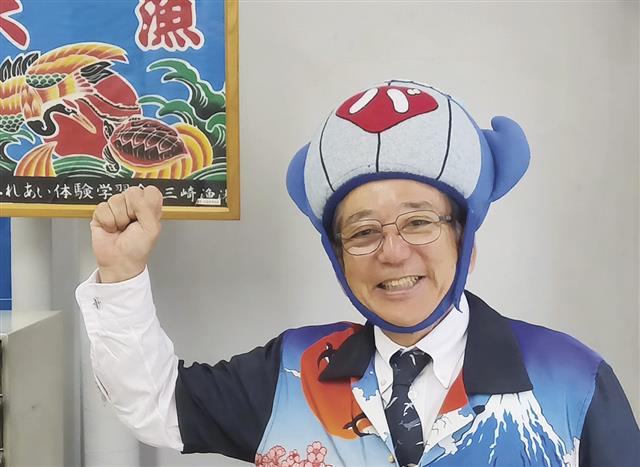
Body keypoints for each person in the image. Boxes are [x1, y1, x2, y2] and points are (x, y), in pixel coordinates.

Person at [76, 80, 639, 467]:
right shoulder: (292, 372)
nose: (393, 252)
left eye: (419, 222)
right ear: (338, 255)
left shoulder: (572, 380)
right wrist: (121, 272)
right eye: (363, 232)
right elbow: (157, 403)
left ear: (464, 239)